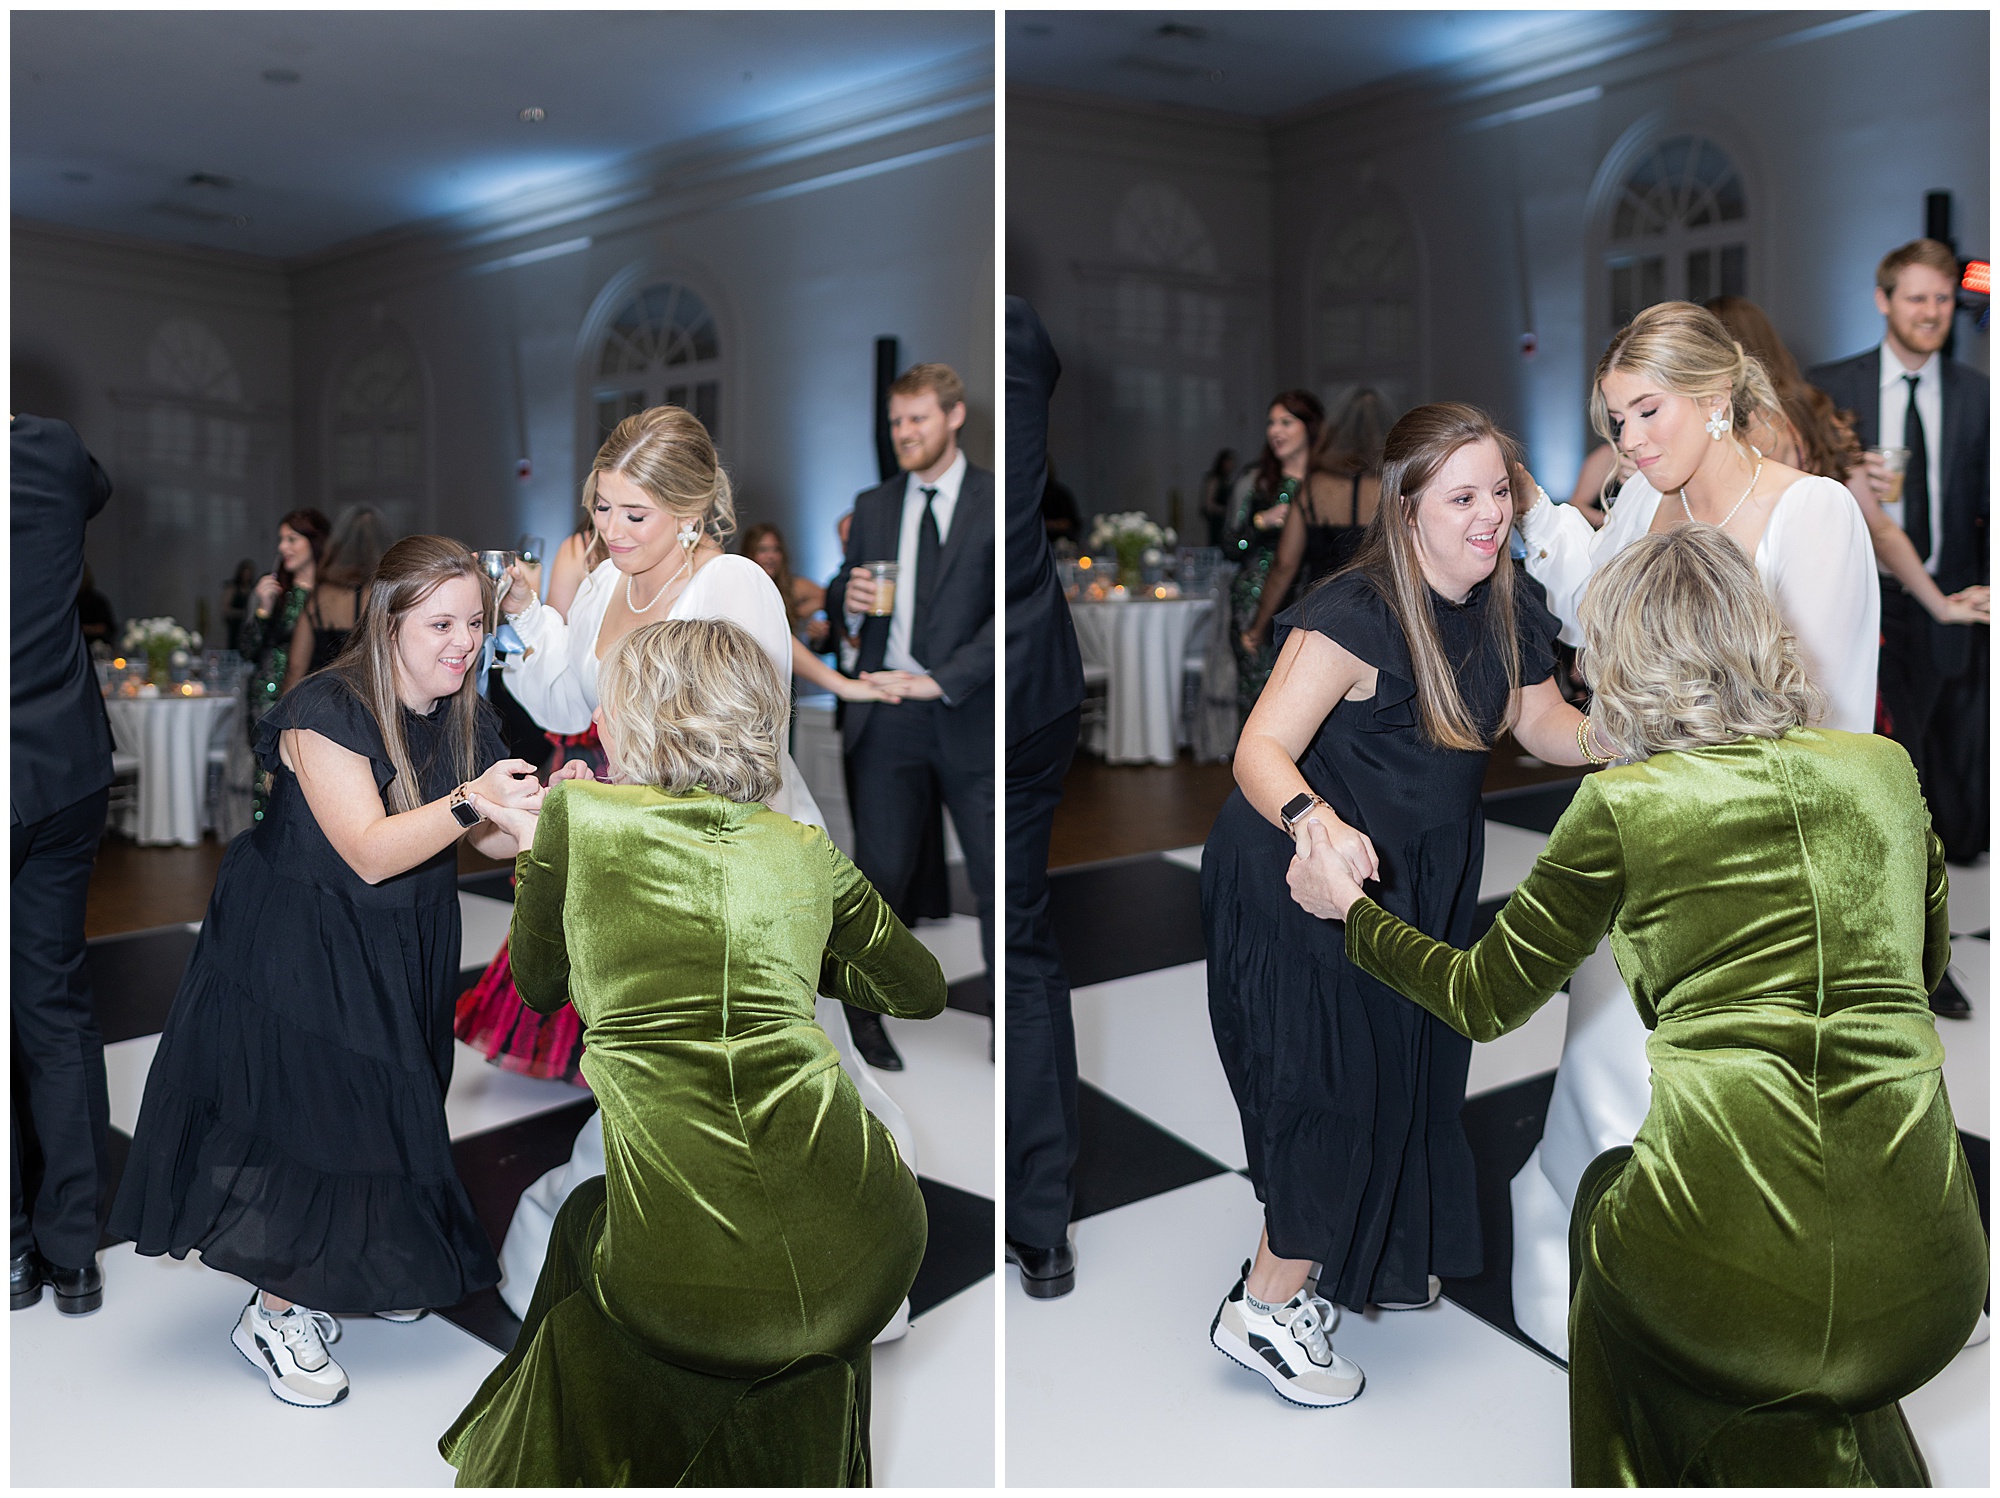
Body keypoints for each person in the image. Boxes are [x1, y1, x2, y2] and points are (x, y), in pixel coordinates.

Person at [1298, 526, 1987, 1484]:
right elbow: (1924, 963)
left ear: (1623, 658)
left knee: (1601, 1202)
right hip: (1939, 1282)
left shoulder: (1628, 807)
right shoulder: (1884, 770)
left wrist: (1354, 914)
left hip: (1734, 1288)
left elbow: (1484, 998)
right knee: (1808, 1309)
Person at [438, 618, 944, 1485]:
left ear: (642, 718)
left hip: (686, 1284)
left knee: (581, 1225)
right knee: (621, 1230)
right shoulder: (802, 851)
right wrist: (783, 948)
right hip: (873, 1243)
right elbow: (919, 992)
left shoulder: (579, 819)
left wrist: (537, 860)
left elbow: (537, 986)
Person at [1505, 298, 1883, 1360]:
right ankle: (1603, 1274)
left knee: (1732, 1085)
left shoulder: (1808, 513)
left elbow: (1827, 708)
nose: (1628, 440)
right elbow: (1591, 611)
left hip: (1759, 853)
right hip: (1641, 839)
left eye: (1644, 411)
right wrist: (1535, 510)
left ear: (1716, 397)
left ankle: (1743, 1306)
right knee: (1608, 1056)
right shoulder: (1640, 502)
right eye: (1615, 420)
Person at [1203, 403, 1599, 1407]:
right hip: (1305, 876)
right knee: (1336, 1094)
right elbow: (1257, 750)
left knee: (1403, 1083)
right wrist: (1313, 823)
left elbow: (1542, 720)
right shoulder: (1356, 612)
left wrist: (1632, 738)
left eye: (1497, 491)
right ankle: (1258, 1308)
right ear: (1408, 509)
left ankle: (1316, 1272)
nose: (1488, 515)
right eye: (1461, 496)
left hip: (1417, 878)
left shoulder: (1502, 603)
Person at [485, 404, 917, 1322]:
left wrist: (642, 817)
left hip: (734, 847)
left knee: (756, 1059)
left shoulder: (735, 586)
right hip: (641, 845)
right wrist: (526, 618)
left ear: (691, 510)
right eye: (600, 509)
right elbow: (566, 696)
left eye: (633, 514)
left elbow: (746, 741)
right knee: (653, 1060)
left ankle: (794, 1271)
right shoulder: (602, 586)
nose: (610, 532)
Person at [107, 536, 546, 1407]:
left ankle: (351, 1263)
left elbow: (489, 835)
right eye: (441, 623)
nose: (463, 641)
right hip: (302, 931)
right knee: (316, 1111)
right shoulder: (325, 707)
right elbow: (370, 852)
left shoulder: (463, 709)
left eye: (473, 623)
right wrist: (471, 801)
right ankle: (274, 1310)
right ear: (389, 623)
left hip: (404, 933)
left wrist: (534, 812)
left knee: (399, 1094)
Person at [827, 362, 995, 1076]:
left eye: (918, 419)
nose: (904, 434)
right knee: (881, 876)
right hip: (887, 712)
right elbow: (841, 595)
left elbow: (1017, 619)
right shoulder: (873, 504)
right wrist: (850, 601)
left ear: (954, 417)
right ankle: (862, 1015)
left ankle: (1009, 1019)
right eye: (897, 422)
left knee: (997, 877)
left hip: (969, 711)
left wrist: (942, 682)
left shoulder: (1000, 500)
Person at [1808, 239, 1990, 865]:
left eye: (1943, 298)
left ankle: (1936, 897)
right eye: (1917, 297)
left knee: (1957, 775)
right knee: (1880, 758)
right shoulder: (1832, 388)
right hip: (1867, 598)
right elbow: (1802, 488)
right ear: (1884, 301)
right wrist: (1845, 475)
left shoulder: (1977, 393)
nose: (1932, 311)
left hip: (1952, 593)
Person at [12, 415, 117, 1319]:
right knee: (54, 1005)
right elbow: (96, 489)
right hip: (66, 769)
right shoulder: (48, 450)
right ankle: (73, 1256)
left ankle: (11, 1250)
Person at [1004, 300, 1087, 1299]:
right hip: (1035, 679)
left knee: (1020, 947)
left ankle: (1039, 1216)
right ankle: (1042, 1222)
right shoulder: (1022, 337)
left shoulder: (1011, 337)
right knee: (1023, 943)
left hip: (1010, 694)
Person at [1243, 387, 1387, 649]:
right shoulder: (1393, 488)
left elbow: (1284, 565)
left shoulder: (1314, 487)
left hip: (1323, 615)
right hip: (1382, 616)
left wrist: (1257, 626)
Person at [1226, 390, 1324, 720]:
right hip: (1253, 601)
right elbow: (1230, 543)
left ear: (1309, 427)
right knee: (1256, 699)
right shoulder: (1256, 481)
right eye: (1270, 423)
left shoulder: (1327, 484)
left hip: (1311, 604)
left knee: (1303, 705)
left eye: (1286, 422)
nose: (1275, 431)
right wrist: (1261, 520)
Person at [235, 508, 330, 826]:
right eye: (281, 540)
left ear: (314, 543)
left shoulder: (331, 597)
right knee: (266, 777)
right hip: (264, 699)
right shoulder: (276, 593)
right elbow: (248, 651)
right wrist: (262, 609)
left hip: (308, 701)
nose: (282, 547)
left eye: (292, 539)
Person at [283, 503, 388, 691]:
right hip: (370, 703)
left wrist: (282, 715)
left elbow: (295, 667)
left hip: (321, 704)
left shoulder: (320, 597)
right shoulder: (386, 597)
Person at [742, 520, 829, 649]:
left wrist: (802, 615)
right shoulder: (741, 589)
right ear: (750, 553)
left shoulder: (792, 586)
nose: (770, 556)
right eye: (763, 550)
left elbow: (830, 597)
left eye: (776, 550)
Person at [1198, 447, 1238, 549]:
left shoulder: (1227, 480)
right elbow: (1209, 504)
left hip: (1225, 523)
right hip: (1216, 522)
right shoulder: (1214, 480)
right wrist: (1225, 510)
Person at [222, 558, 257, 653]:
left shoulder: (253, 589)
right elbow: (226, 609)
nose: (247, 576)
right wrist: (241, 613)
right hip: (235, 627)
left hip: (249, 628)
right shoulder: (233, 588)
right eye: (245, 573)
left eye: (249, 573)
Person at [76, 565, 117, 646]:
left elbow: (106, 628)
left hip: (96, 647)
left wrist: (84, 629)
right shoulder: (67, 603)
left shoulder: (95, 601)